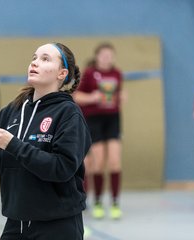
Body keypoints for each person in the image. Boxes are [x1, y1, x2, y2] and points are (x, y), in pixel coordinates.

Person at [0, 43, 91, 240]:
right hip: (16, 224)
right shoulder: (10, 111)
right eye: (34, 58)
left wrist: (12, 144)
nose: (35, 63)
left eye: (45, 59)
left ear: (61, 74)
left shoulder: (68, 113)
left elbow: (62, 168)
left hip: (58, 225)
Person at [73, 42, 124, 220]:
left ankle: (116, 202)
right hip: (94, 120)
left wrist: (120, 98)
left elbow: (118, 96)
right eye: (103, 55)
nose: (107, 58)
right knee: (98, 162)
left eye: (110, 55)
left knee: (115, 161)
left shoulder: (117, 74)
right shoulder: (89, 73)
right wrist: (93, 97)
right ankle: (98, 202)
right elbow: (77, 96)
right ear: (97, 56)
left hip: (113, 119)